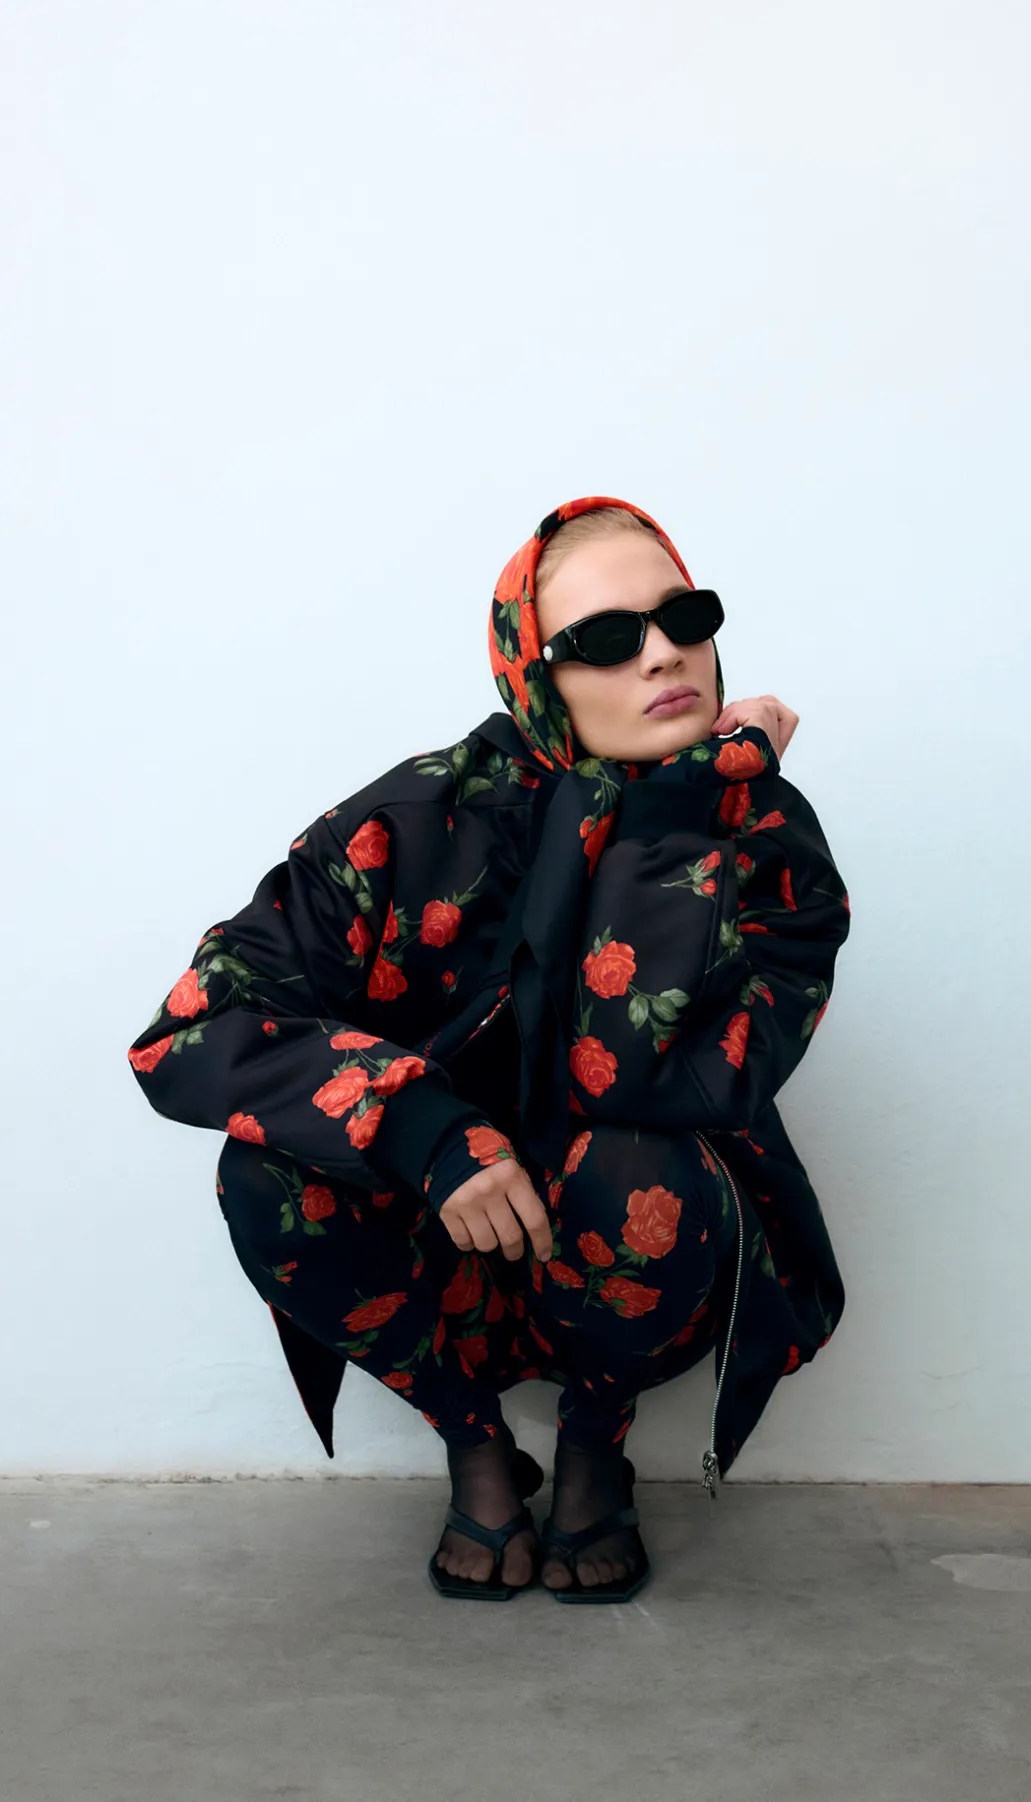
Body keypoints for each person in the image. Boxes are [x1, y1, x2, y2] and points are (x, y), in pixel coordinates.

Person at [126, 494, 852, 1602]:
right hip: (438, 1243)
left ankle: (594, 1442)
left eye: (685, 616)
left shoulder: (761, 839)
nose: (664, 654)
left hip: (633, 1241)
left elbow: (653, 1075)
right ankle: (473, 1441)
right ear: (534, 673)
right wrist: (419, 1126)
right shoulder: (417, 820)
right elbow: (190, 1027)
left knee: (638, 1155)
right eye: (605, 639)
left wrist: (675, 818)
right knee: (263, 1174)